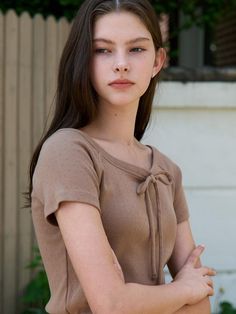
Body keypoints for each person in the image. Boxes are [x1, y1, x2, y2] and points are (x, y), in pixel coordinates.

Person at [28, 0, 215, 313]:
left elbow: (201, 301)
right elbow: (111, 304)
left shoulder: (167, 171)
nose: (121, 64)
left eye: (136, 49)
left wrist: (180, 292)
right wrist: (180, 290)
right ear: (83, 60)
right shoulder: (68, 152)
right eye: (102, 50)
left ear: (158, 61)